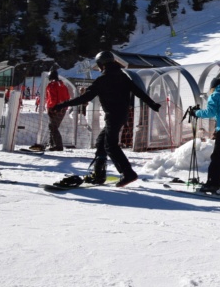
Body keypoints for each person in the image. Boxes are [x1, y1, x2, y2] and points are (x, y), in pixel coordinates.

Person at [52, 51, 161, 187]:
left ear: (101, 65)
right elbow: (138, 91)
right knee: (101, 141)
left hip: (113, 116)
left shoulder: (102, 80)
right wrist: (152, 104)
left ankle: (128, 173)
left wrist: (63, 104)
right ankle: (99, 174)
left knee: (110, 145)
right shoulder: (122, 76)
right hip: (122, 115)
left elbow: (84, 98)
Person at [44, 69, 71, 151]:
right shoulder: (63, 85)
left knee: (52, 126)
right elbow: (67, 97)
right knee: (53, 126)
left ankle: (58, 145)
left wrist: (51, 108)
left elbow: (52, 98)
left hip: (55, 108)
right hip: (63, 108)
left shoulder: (51, 85)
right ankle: (52, 144)